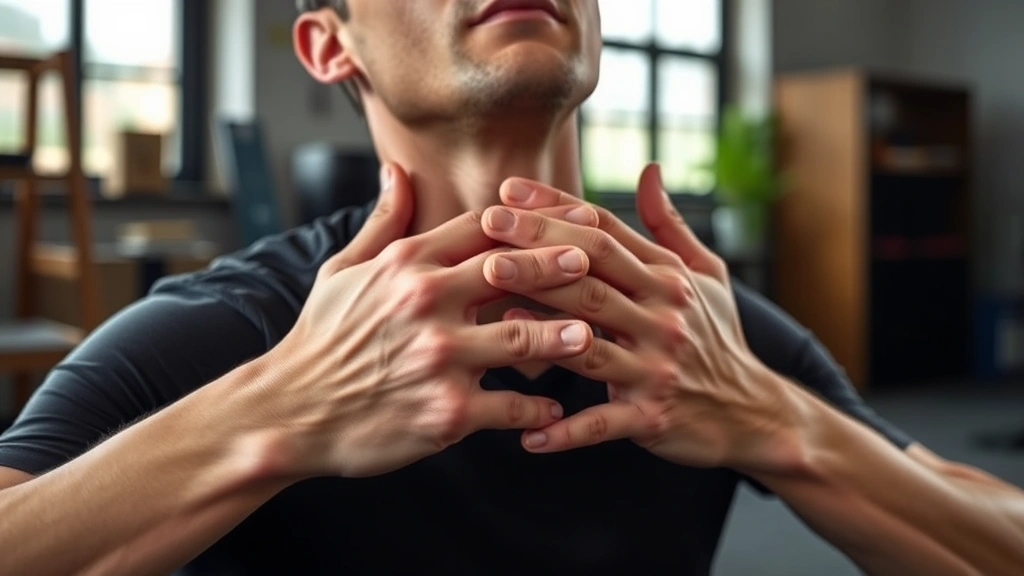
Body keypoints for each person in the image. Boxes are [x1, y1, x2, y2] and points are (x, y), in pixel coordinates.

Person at [0, 1, 1021, 574]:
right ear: (327, 43)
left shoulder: (701, 332)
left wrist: (779, 421)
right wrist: (280, 410)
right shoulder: (232, 327)